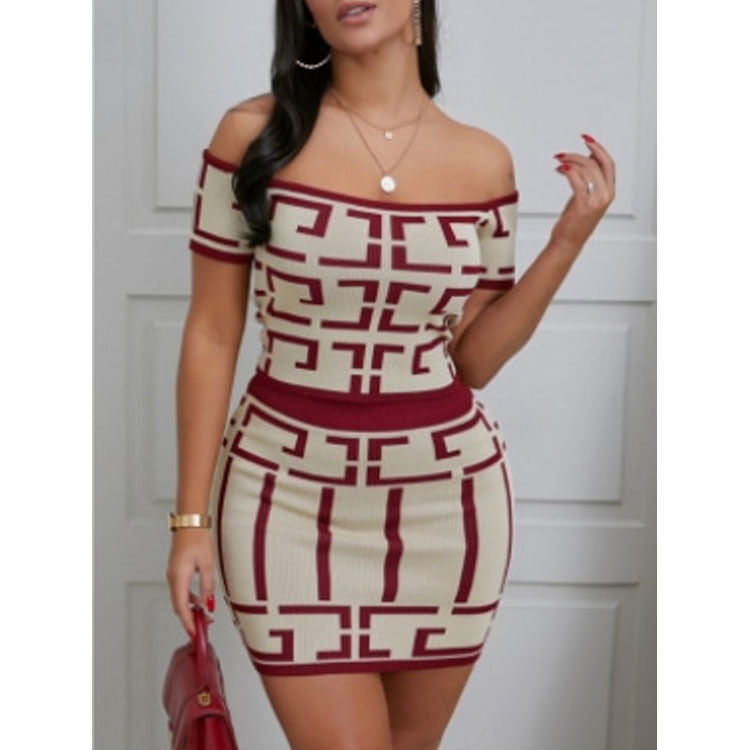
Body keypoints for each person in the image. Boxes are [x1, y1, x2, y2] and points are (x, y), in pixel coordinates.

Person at [166, 1, 615, 747]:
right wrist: (190, 523)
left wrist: (567, 241)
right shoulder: (251, 137)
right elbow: (212, 332)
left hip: (446, 512)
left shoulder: (483, 162)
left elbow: (474, 360)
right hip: (287, 502)